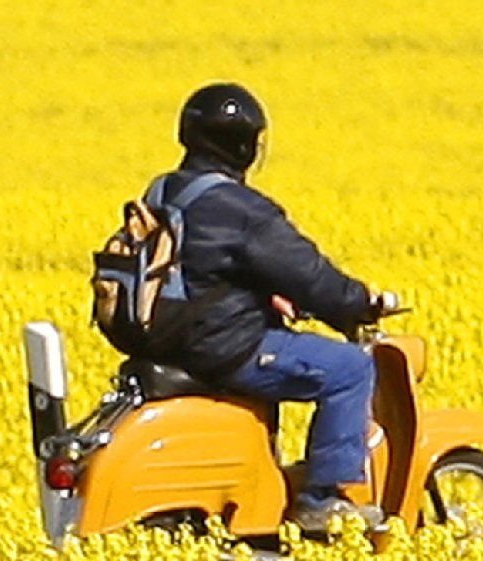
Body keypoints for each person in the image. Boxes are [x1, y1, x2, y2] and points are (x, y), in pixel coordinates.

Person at [152, 82, 397, 531]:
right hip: (225, 345)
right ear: (243, 145)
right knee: (347, 368)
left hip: (174, 342)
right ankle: (322, 499)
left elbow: (201, 269)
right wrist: (357, 302)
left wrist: (264, 295)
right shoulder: (238, 208)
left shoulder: (163, 190)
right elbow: (307, 274)